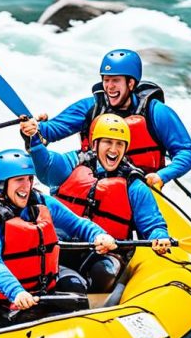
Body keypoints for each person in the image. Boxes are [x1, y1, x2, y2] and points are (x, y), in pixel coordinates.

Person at [0, 149, 117, 333]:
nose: (26, 186)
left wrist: (99, 235)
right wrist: (16, 292)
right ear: (1, 184)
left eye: (29, 179)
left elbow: (77, 224)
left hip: (39, 291)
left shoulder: (40, 202)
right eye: (19, 180)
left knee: (75, 286)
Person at [24, 113, 171, 292]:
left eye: (119, 144)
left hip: (106, 251)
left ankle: (89, 307)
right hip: (62, 241)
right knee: (33, 256)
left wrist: (159, 236)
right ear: (95, 144)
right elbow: (47, 166)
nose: (114, 149)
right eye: (108, 142)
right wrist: (35, 141)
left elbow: (152, 224)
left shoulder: (134, 185)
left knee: (104, 272)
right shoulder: (75, 162)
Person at [30, 49, 191, 188]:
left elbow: (187, 152)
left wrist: (162, 176)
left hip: (141, 189)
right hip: (94, 185)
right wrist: (34, 128)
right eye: (106, 80)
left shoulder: (157, 113)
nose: (109, 87)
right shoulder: (91, 107)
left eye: (116, 81)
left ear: (131, 83)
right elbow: (49, 132)